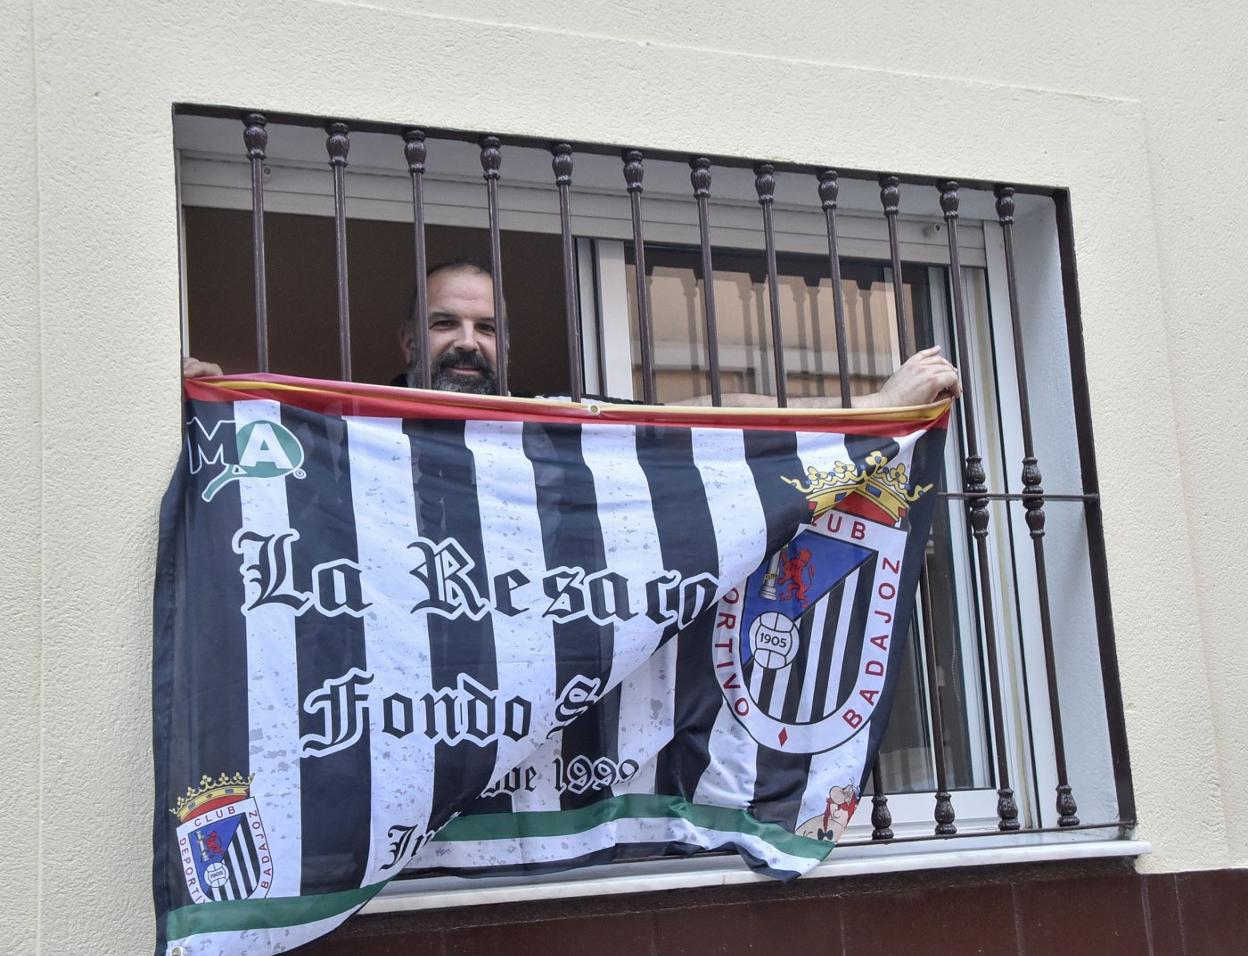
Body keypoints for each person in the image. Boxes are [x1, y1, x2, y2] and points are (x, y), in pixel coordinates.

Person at [184, 257, 961, 408]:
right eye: (447, 323)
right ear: (410, 344)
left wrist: (871, 407)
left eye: (487, 327)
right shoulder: (348, 423)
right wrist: (206, 404)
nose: (468, 342)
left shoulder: (551, 426)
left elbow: (705, 418)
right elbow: (268, 425)